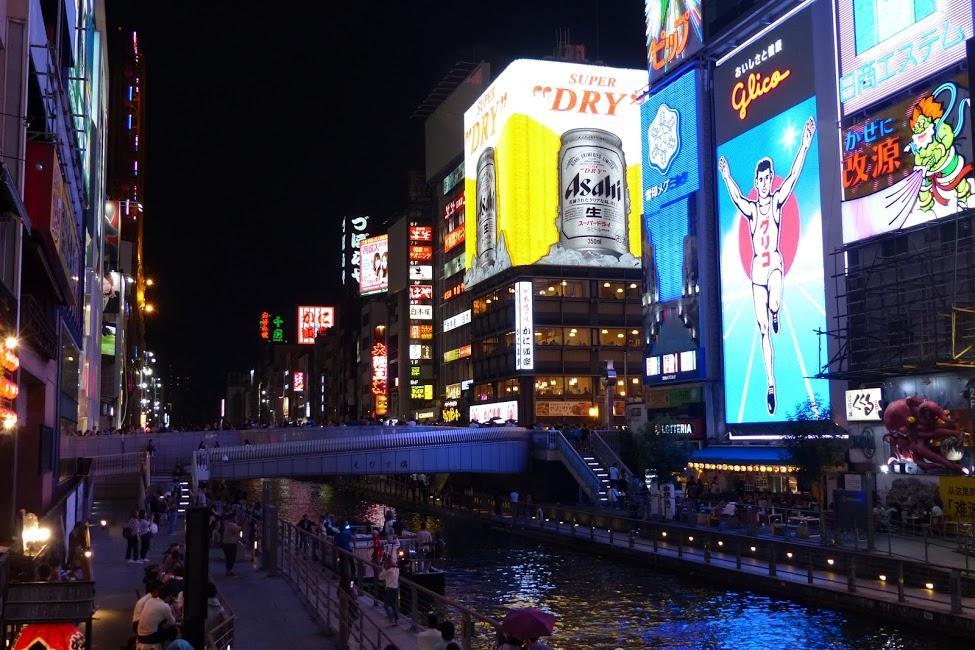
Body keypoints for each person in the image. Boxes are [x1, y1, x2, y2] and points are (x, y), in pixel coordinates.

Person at [717, 115, 816, 415]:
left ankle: (776, 311)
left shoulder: (775, 201)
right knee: (763, 330)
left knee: (774, 302)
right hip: (756, 273)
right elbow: (735, 195)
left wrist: (805, 143)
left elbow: (795, 175)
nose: (762, 183)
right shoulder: (750, 208)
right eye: (759, 180)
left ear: (770, 178)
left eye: (766, 178)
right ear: (755, 182)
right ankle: (771, 384)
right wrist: (725, 175)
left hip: (774, 264)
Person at [136, 580, 174, 648]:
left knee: (162, 626)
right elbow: (172, 622)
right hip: (149, 638)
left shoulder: (150, 600)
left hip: (140, 635)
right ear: (168, 596)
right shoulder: (165, 606)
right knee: (173, 631)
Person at [379, 556, 400, 627]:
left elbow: (380, 577)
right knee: (393, 605)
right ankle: (396, 620)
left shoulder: (388, 571)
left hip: (389, 589)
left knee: (386, 605)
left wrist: (383, 569)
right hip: (396, 588)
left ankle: (391, 619)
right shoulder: (397, 569)